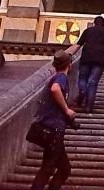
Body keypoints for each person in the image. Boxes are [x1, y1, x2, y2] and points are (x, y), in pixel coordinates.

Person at [28, 50, 75, 190]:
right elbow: (55, 89)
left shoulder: (54, 77)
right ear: (69, 65)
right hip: (53, 130)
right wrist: (67, 110)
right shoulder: (61, 78)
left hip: (51, 127)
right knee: (49, 168)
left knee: (63, 168)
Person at [74, 15, 104, 113]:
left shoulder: (88, 31)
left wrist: (69, 54)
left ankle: (82, 91)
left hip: (86, 58)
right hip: (99, 60)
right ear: (103, 24)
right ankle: (89, 107)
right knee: (92, 83)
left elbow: (78, 44)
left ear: (94, 23)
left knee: (83, 78)